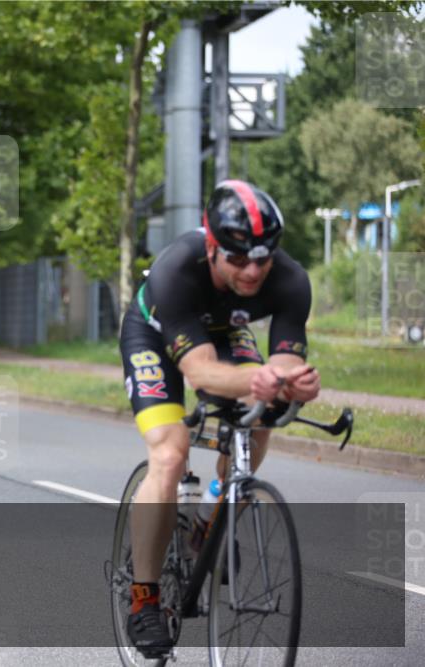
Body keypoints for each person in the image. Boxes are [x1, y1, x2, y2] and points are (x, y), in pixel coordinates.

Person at [119, 181, 321, 657]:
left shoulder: (290, 280)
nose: (252, 271)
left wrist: (295, 381)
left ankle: (211, 522)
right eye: (237, 260)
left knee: (264, 410)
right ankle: (144, 598)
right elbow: (200, 371)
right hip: (155, 337)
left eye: (263, 259)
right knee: (170, 456)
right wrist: (262, 376)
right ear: (212, 247)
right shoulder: (175, 270)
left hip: (224, 333)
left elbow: (288, 358)